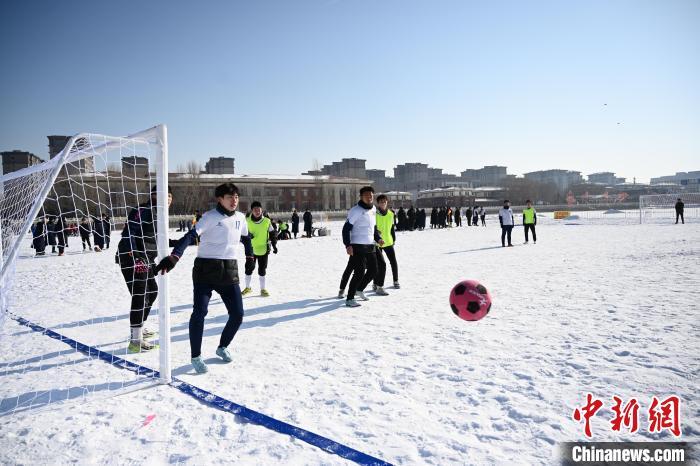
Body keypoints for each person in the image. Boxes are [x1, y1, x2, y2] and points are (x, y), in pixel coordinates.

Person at [155, 183, 252, 374]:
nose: (234, 201)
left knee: (238, 314)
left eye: (236, 197)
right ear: (220, 199)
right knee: (199, 313)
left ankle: (222, 346)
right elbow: (190, 236)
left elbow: (246, 238)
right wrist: (175, 255)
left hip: (229, 271)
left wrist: (250, 258)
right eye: (229, 197)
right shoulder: (209, 217)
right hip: (205, 271)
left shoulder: (241, 218)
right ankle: (196, 356)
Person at [116, 185, 173, 353]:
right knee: (140, 295)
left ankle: (139, 327)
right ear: (153, 195)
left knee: (152, 292)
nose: (167, 199)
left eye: (169, 196)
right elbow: (128, 233)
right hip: (131, 258)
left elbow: (158, 240)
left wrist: (184, 242)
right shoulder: (143, 209)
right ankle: (135, 340)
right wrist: (136, 257)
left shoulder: (160, 214)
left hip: (146, 259)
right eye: (163, 195)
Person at [343, 186, 383, 307]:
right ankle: (350, 298)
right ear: (361, 197)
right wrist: (347, 245)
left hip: (370, 245)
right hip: (357, 245)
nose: (369, 197)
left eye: (371, 195)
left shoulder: (373, 209)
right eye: (366, 195)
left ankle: (359, 290)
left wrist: (378, 238)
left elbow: (373, 228)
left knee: (374, 270)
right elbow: (346, 229)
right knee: (359, 272)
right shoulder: (355, 211)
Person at [242, 201, 278, 297]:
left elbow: (272, 233)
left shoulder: (267, 221)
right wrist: (248, 236)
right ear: (252, 211)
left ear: (262, 210)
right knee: (249, 268)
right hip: (251, 250)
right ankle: (248, 287)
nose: (257, 211)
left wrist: (274, 245)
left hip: (263, 249)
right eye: (255, 210)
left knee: (262, 269)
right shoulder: (246, 221)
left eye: (259, 209)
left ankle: (263, 289)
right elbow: (241, 234)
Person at [373, 194, 399, 294]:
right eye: (381, 202)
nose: (383, 203)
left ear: (387, 202)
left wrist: (394, 239)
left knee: (393, 261)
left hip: (388, 241)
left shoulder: (391, 213)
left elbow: (392, 228)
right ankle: (375, 283)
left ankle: (395, 280)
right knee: (378, 264)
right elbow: (373, 228)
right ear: (378, 203)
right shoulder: (374, 214)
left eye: (384, 201)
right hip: (377, 242)